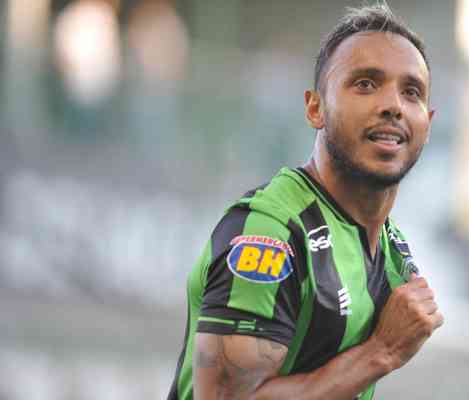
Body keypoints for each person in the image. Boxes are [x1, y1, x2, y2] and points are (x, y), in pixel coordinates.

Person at [167, 3, 444, 399]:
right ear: (315, 108)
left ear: (427, 124)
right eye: (366, 84)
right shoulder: (271, 232)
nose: (393, 105)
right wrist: (381, 351)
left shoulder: (391, 245)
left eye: (411, 91)